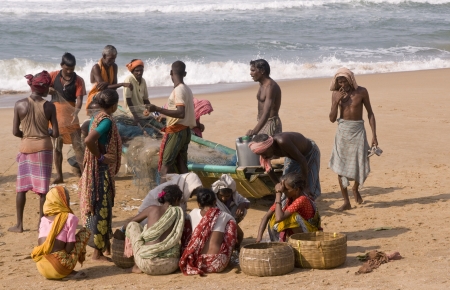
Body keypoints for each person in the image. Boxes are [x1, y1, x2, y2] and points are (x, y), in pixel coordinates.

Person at [9, 71, 59, 233]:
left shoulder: (19, 104)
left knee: (21, 188)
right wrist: (46, 133)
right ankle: (41, 223)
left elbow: (15, 131)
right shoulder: (49, 106)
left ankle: (19, 225)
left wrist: (27, 136)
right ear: (44, 89)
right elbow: (56, 132)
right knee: (42, 190)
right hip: (44, 149)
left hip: (26, 147)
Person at [78, 89, 122, 262]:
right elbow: (89, 140)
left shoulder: (96, 117)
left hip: (96, 169)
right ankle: (97, 253)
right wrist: (101, 157)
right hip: (100, 170)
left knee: (99, 206)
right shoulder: (106, 121)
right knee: (101, 208)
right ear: (113, 105)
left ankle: (103, 247)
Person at [328, 67, 377, 211]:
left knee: (361, 162)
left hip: (358, 131)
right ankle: (346, 201)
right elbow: (331, 119)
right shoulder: (336, 94)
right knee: (340, 167)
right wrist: (335, 102)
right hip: (343, 131)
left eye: (344, 80)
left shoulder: (362, 92)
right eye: (340, 81)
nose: (343, 83)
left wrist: (374, 134)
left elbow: (370, 113)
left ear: (351, 79)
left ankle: (355, 188)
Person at [148, 61, 196, 181]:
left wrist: (157, 109)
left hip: (176, 132)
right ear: (185, 73)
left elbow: (180, 113)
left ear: (170, 73)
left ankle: (163, 196)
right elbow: (181, 113)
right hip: (185, 132)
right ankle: (186, 191)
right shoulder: (187, 89)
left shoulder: (178, 90)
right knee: (181, 164)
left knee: (165, 167)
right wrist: (165, 116)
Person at [121, 184, 185, 275]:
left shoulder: (151, 209)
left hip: (146, 264)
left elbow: (130, 223)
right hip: (171, 264)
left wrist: (123, 230)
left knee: (132, 225)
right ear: (176, 200)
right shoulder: (178, 213)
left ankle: (136, 266)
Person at [31, 186, 90, 280]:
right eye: (68, 199)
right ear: (62, 201)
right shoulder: (70, 218)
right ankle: (68, 272)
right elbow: (69, 248)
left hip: (42, 267)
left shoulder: (43, 219)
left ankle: (61, 269)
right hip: (58, 268)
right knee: (85, 232)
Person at [179, 188, 237, 276]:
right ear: (215, 202)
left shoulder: (193, 213)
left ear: (198, 204)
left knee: (187, 224)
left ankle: (188, 253)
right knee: (231, 224)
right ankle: (227, 258)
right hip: (217, 264)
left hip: (195, 262)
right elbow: (238, 235)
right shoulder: (225, 215)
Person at [248, 132, 321, 200]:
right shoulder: (264, 151)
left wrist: (306, 185)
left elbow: (302, 160)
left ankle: (308, 208)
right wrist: (279, 186)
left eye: (264, 153)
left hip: (308, 154)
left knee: (308, 189)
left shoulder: (282, 142)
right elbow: (269, 169)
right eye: (260, 154)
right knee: (286, 183)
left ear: (269, 146)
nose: (263, 157)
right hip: (292, 156)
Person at [49, 52, 87, 182]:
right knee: (57, 148)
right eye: (67, 69)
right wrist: (48, 89)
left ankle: (84, 174)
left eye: (72, 68)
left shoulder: (78, 80)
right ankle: (59, 176)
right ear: (61, 66)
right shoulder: (53, 76)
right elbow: (39, 87)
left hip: (71, 117)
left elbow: (80, 99)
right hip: (55, 118)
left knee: (78, 147)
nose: (70, 71)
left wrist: (76, 111)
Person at [256, 172, 322, 243]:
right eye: (283, 189)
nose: (284, 192)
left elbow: (279, 218)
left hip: (310, 233)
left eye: (286, 189)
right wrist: (259, 238)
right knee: (274, 216)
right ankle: (278, 242)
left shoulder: (302, 199)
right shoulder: (287, 199)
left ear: (296, 189)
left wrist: (278, 193)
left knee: (292, 218)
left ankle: (298, 242)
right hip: (298, 231)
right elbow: (266, 216)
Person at [118, 59, 162, 139]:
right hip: (133, 112)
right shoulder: (129, 80)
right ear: (132, 71)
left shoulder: (143, 81)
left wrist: (155, 113)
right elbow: (128, 100)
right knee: (150, 130)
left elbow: (145, 100)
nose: (139, 73)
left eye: (141, 70)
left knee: (159, 123)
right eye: (137, 71)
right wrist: (135, 116)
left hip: (143, 111)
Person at [85, 45, 133, 110]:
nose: (114, 61)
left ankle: (109, 114)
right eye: (111, 59)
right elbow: (102, 88)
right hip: (96, 94)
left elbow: (114, 86)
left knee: (114, 94)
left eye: (114, 58)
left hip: (109, 92)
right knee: (103, 95)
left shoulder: (114, 66)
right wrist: (122, 84)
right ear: (104, 56)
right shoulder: (96, 67)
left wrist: (106, 84)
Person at [211, 174, 249, 250]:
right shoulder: (212, 199)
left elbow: (247, 202)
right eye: (221, 195)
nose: (223, 198)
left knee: (238, 234)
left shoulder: (234, 196)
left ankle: (232, 230)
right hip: (217, 222)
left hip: (230, 218)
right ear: (217, 193)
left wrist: (242, 205)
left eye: (227, 196)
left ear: (231, 194)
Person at [246, 59, 282, 137]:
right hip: (263, 122)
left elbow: (267, 112)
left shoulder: (270, 87)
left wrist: (254, 131)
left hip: (270, 123)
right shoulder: (261, 84)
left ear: (262, 71)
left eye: (253, 71)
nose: (250, 73)